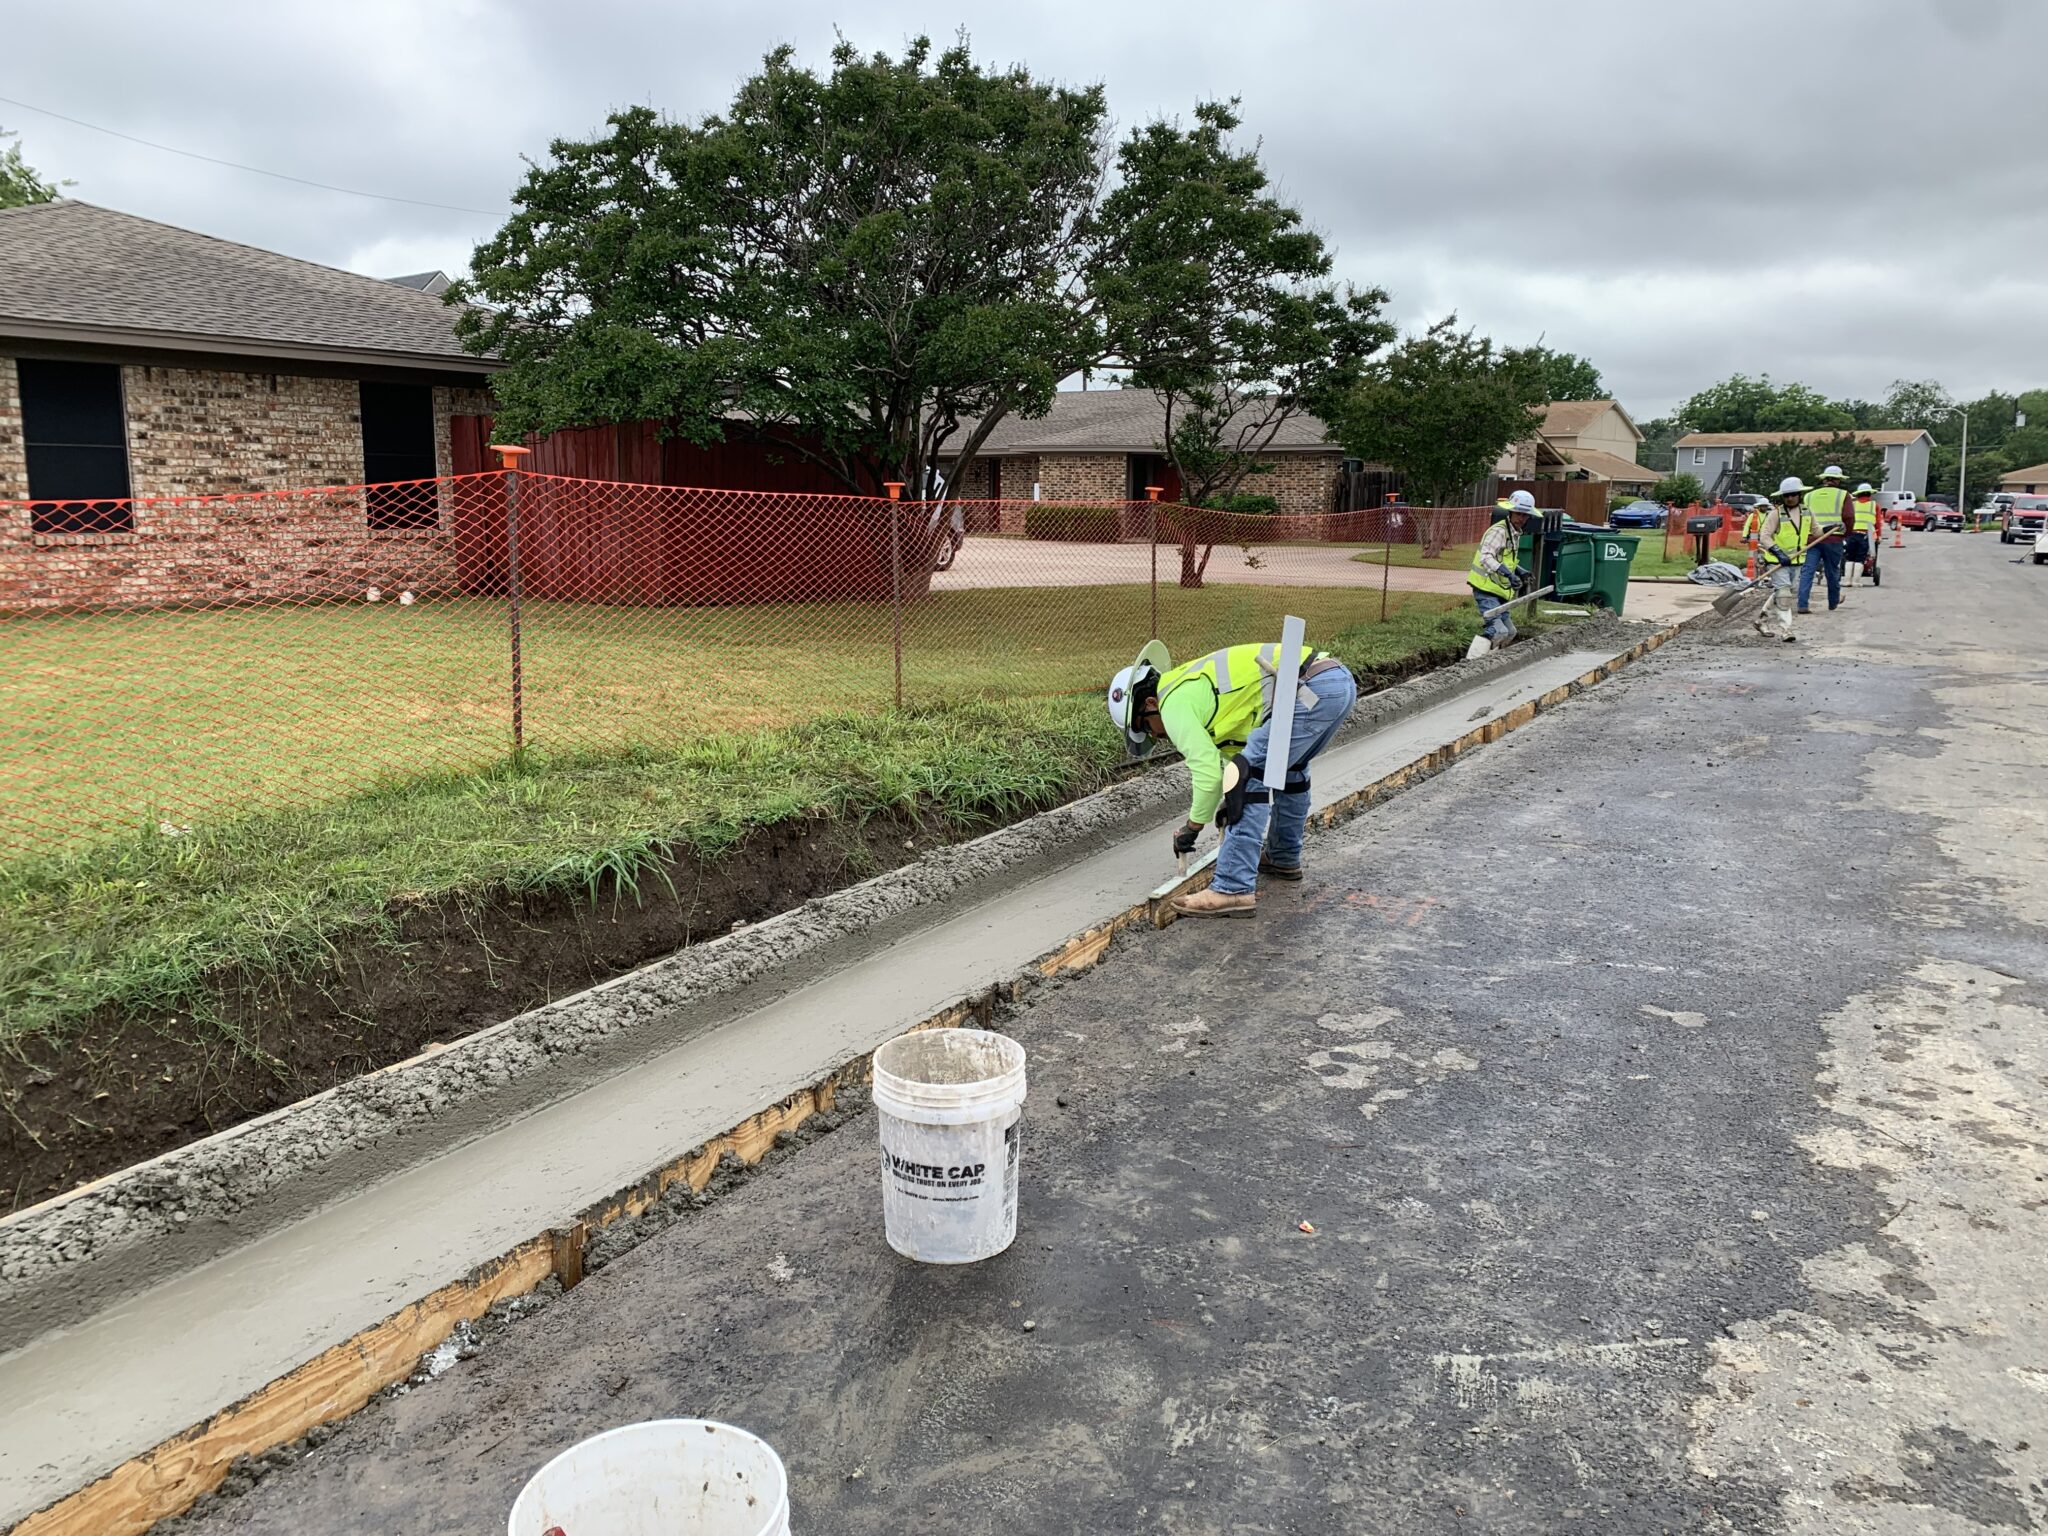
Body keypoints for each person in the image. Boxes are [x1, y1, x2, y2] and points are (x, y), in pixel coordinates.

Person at [1106, 637, 1359, 918]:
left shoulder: (1172, 704)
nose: (1155, 735)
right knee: (1291, 771)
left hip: (1307, 689)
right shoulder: (1187, 685)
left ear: (1150, 702)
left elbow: (1209, 774)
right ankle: (1283, 857)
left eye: (1145, 725)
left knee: (1247, 778)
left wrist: (1192, 827)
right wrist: (1229, 801)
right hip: (1334, 682)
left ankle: (1232, 887)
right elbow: (1233, 757)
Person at [1469, 490, 1537, 647]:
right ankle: (1473, 658)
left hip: (1500, 591)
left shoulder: (1514, 533)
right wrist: (1508, 574)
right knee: (1498, 631)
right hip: (1486, 589)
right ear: (1510, 512)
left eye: (1525, 515)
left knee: (1510, 632)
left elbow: (1506, 560)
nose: (1521, 519)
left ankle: (1494, 656)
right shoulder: (1499, 531)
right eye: (1518, 514)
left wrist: (1520, 571)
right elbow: (1486, 558)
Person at [1756, 476, 1815, 644]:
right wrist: (1778, 553)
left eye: (1793, 494)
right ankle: (1786, 630)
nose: (1790, 498)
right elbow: (1765, 536)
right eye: (1786, 495)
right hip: (1777, 561)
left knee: (1785, 592)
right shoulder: (1776, 514)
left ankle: (1762, 620)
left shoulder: (1807, 512)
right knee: (1783, 594)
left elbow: (1816, 531)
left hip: (1797, 560)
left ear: (1799, 495)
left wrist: (1831, 528)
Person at [1798, 465, 1850, 613]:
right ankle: (1833, 602)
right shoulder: (1843, 495)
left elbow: (1803, 517)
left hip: (1812, 539)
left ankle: (1802, 604)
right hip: (1834, 539)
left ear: (1824, 479)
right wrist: (1846, 534)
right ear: (1838, 480)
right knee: (1832, 571)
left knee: (1807, 571)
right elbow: (1849, 517)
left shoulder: (1809, 496)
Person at [1843, 482, 1879, 587]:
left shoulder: (1853, 504)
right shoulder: (1874, 505)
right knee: (1860, 557)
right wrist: (1879, 536)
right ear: (1870, 494)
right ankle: (1856, 581)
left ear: (1858, 494)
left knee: (1850, 557)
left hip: (1852, 533)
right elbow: (1878, 522)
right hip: (1867, 534)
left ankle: (1847, 580)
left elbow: (1847, 518)